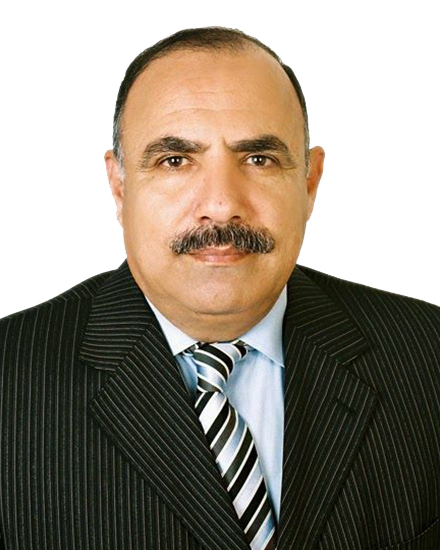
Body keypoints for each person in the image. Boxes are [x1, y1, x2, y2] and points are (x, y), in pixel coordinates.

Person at [0, 26, 439, 550]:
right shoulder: (9, 381)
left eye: (259, 159)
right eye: (175, 161)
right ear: (119, 186)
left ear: (309, 182)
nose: (222, 204)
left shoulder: (427, 353)